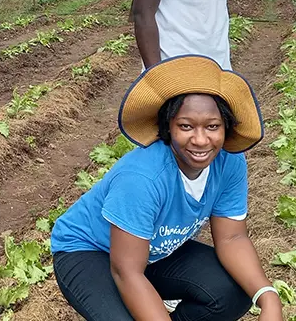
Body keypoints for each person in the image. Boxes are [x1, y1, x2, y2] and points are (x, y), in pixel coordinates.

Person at [50, 55, 283, 321]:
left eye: (212, 126)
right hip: (91, 251)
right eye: (186, 126)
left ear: (226, 128)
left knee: (233, 291)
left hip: (151, 251)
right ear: (168, 128)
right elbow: (126, 271)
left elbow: (232, 238)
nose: (200, 139)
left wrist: (268, 297)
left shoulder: (229, 162)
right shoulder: (142, 177)